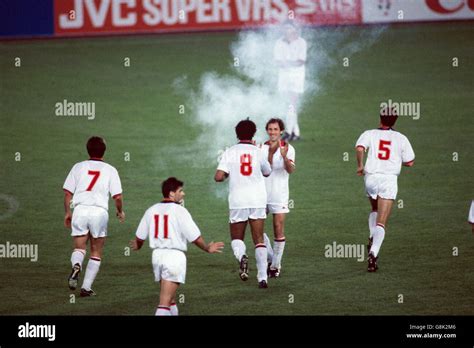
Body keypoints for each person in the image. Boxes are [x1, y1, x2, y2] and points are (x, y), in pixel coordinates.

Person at [130, 177, 224, 316]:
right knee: (164, 303)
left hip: (157, 257)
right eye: (180, 191)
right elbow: (194, 237)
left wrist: (138, 245)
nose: (183, 193)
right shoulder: (180, 211)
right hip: (174, 258)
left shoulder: (151, 209)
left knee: (171, 300)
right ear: (172, 193)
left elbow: (139, 237)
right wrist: (206, 248)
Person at [63, 136, 125, 297]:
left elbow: (68, 193)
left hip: (80, 210)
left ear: (87, 149)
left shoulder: (78, 167)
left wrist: (68, 213)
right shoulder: (111, 170)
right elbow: (117, 197)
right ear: (104, 150)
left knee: (79, 247)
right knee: (96, 251)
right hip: (99, 212)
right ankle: (86, 287)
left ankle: (77, 265)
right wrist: (119, 211)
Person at [355, 108, 415, 272]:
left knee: (374, 208)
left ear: (380, 118)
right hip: (388, 180)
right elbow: (410, 162)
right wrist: (394, 160)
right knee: (382, 221)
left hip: (371, 178)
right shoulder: (401, 138)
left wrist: (360, 166)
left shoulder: (369, 133)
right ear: (395, 120)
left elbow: (360, 148)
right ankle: (373, 254)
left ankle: (371, 236)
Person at [215, 119, 272, 288]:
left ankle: (242, 257)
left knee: (237, 238)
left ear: (236, 134)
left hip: (238, 200)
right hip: (257, 199)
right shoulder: (258, 152)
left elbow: (218, 176)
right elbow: (267, 172)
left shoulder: (230, 152)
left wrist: (227, 175)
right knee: (259, 238)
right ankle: (262, 278)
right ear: (253, 134)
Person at [261, 118, 295, 278]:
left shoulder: (288, 148)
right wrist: (269, 153)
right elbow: (264, 170)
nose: (272, 132)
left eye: (275, 129)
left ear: (281, 131)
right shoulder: (261, 147)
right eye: (270, 129)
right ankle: (271, 257)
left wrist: (284, 157)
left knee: (278, 228)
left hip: (279, 194)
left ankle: (275, 266)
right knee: (257, 228)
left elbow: (290, 170)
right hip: (261, 193)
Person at [274, 21, 307, 142]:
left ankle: (287, 132)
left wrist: (286, 63)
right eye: (285, 28)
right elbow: (277, 60)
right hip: (283, 75)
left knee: (292, 103)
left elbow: (301, 61)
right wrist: (287, 63)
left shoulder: (301, 42)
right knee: (288, 104)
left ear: (294, 29)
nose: (287, 31)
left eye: (289, 28)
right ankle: (295, 132)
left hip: (296, 75)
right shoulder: (279, 42)